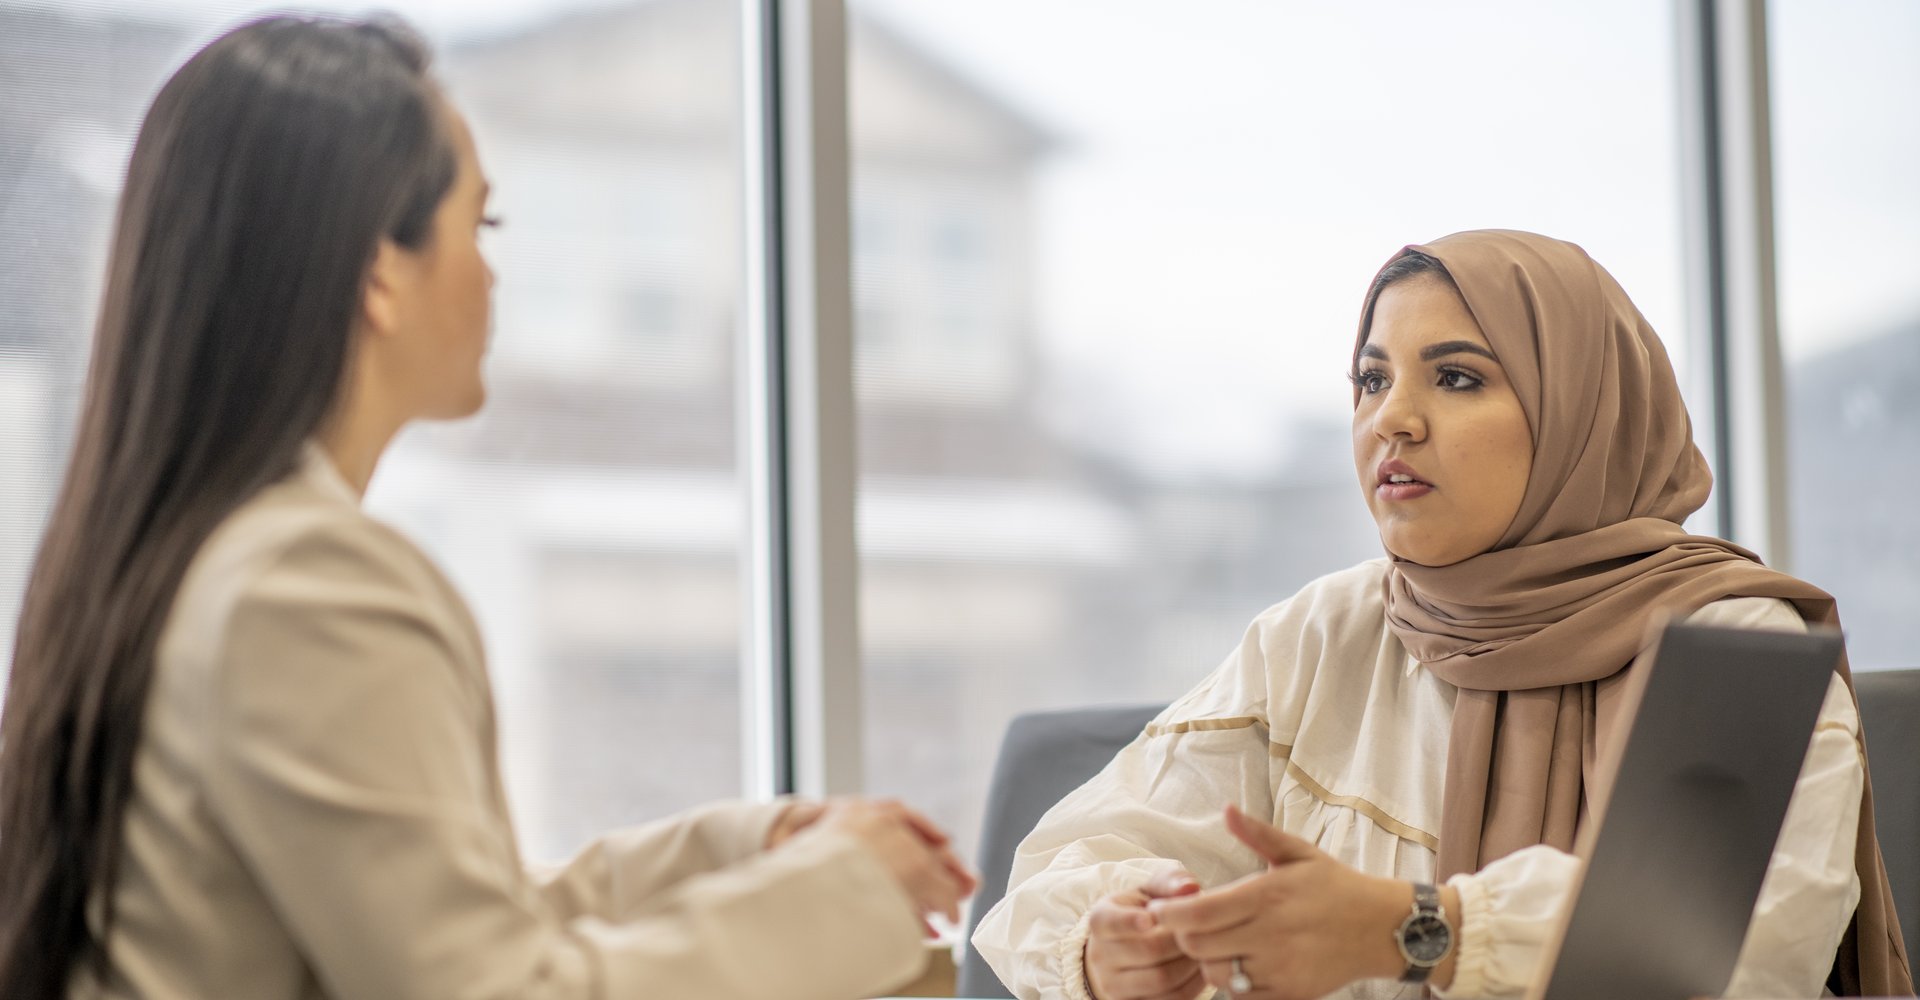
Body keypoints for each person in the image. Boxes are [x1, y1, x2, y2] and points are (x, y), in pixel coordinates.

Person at [0, 15, 972, 1000]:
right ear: (381, 266)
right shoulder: (306, 585)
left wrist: (742, 849)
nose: (492, 272)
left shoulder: (190, 554)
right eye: (482, 225)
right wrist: (846, 894)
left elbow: (443, 919)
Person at [972, 229, 1912, 1000]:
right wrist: (1119, 942)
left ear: (1585, 412)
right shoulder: (1322, 632)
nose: (1394, 420)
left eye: (1457, 378)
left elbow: (1741, 956)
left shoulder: (1731, 645)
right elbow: (1068, 862)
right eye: (1372, 380)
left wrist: (1423, 930)